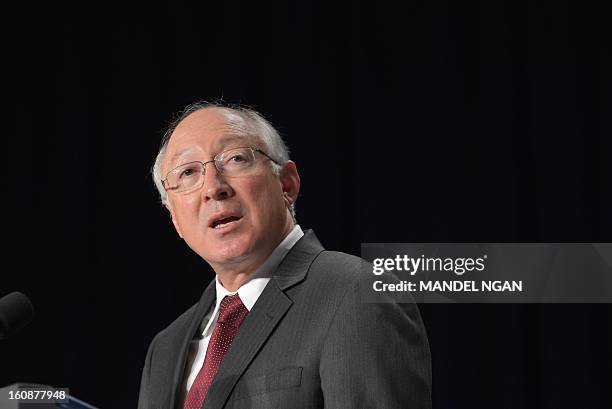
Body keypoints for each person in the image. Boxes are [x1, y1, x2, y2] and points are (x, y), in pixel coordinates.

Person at [137, 102, 432, 409]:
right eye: (187, 172)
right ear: (175, 220)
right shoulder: (166, 348)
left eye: (235, 158)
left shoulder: (355, 291)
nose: (213, 188)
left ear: (287, 184)